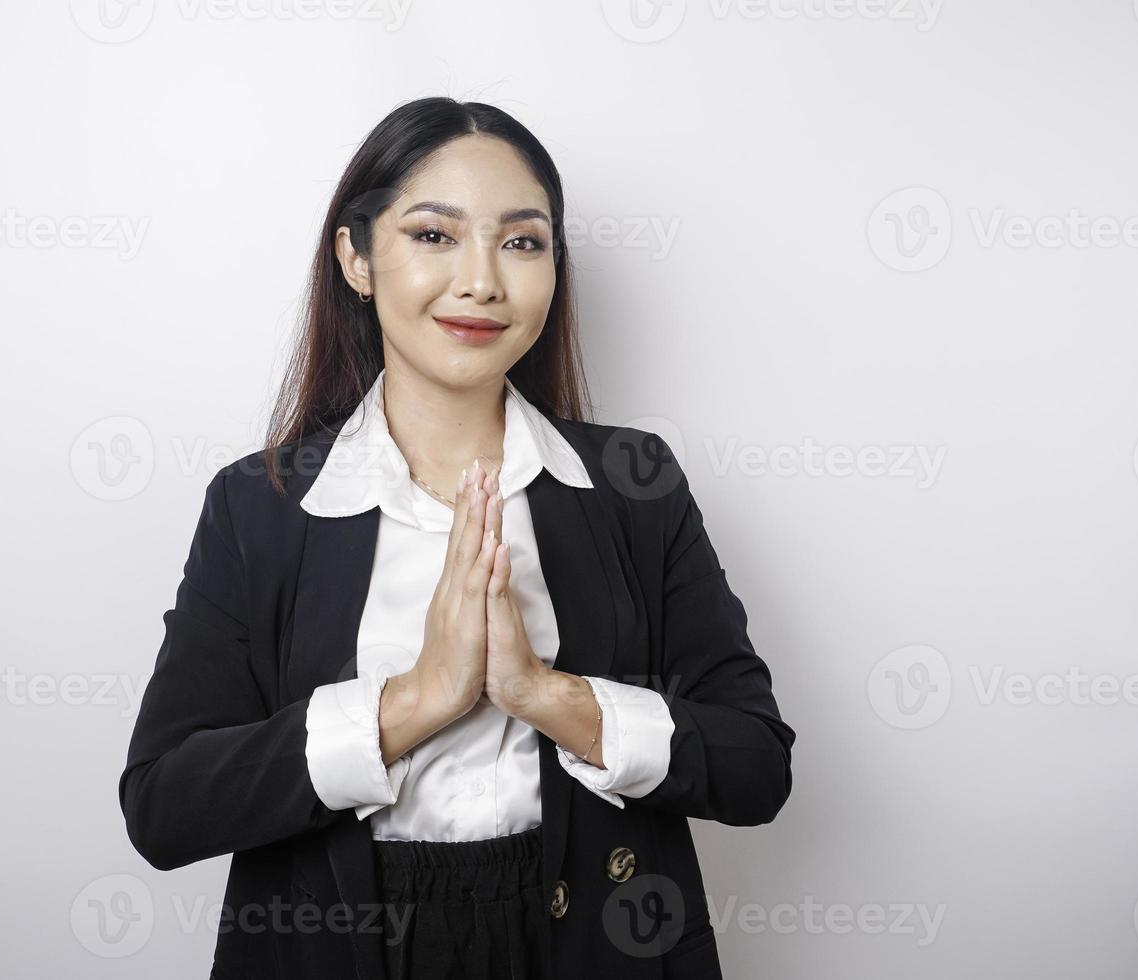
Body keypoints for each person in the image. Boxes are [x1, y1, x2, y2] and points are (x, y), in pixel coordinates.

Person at [119, 96, 796, 980]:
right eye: (434, 236)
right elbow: (166, 807)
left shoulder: (636, 483)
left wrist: (546, 694)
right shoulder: (262, 504)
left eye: (522, 242)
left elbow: (755, 767)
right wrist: (418, 699)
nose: (482, 281)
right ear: (356, 259)